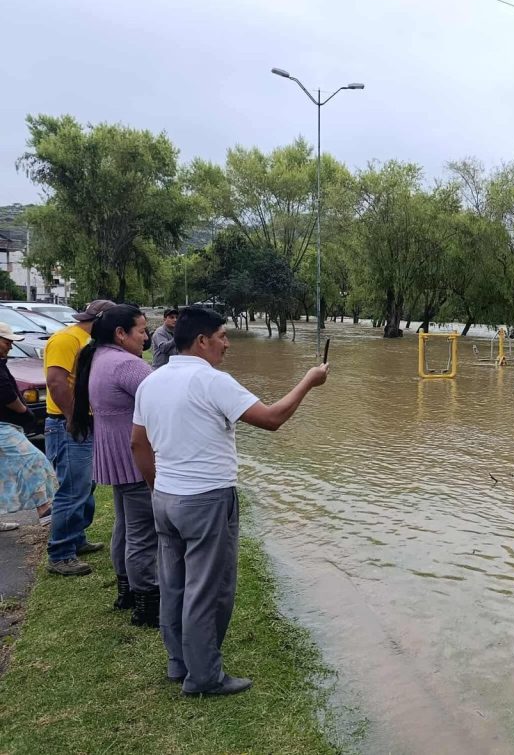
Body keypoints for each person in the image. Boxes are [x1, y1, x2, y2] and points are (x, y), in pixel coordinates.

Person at [131, 306, 328, 696]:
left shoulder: (151, 381)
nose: (227, 346)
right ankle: (204, 677)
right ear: (202, 340)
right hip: (206, 499)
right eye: (223, 337)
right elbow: (271, 419)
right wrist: (308, 380)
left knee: (174, 585)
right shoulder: (212, 381)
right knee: (208, 589)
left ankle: (178, 663)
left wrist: (158, 487)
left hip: (166, 498)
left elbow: (138, 443)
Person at [69, 305, 159, 626]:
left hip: (116, 456)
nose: (146, 337)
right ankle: (147, 603)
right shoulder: (126, 364)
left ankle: (127, 591)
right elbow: (167, 398)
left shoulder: (99, 358)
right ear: (121, 334)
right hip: (134, 458)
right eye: (141, 331)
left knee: (126, 527)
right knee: (142, 535)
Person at [44, 298, 116, 576]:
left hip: (84, 422)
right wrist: (74, 418)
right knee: (72, 489)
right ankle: (60, 553)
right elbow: (56, 381)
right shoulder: (66, 339)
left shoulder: (88, 341)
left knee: (86, 485)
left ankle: (76, 538)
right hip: (67, 424)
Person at [0, 322, 55, 530]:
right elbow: (5, 394)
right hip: (3, 426)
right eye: (7, 342)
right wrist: (24, 411)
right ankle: (44, 510)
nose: (10, 346)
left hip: (7, 424)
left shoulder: (2, 362)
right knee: (34, 460)